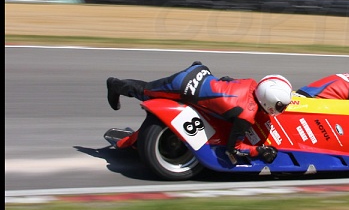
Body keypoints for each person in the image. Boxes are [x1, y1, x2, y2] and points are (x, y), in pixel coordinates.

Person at [105, 61, 292, 166]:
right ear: (268, 100)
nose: (282, 109)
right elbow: (232, 149)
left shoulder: (252, 84)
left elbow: (226, 80)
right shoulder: (245, 116)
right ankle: (115, 85)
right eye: (281, 105)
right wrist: (258, 150)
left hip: (202, 74)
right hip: (184, 85)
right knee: (146, 92)